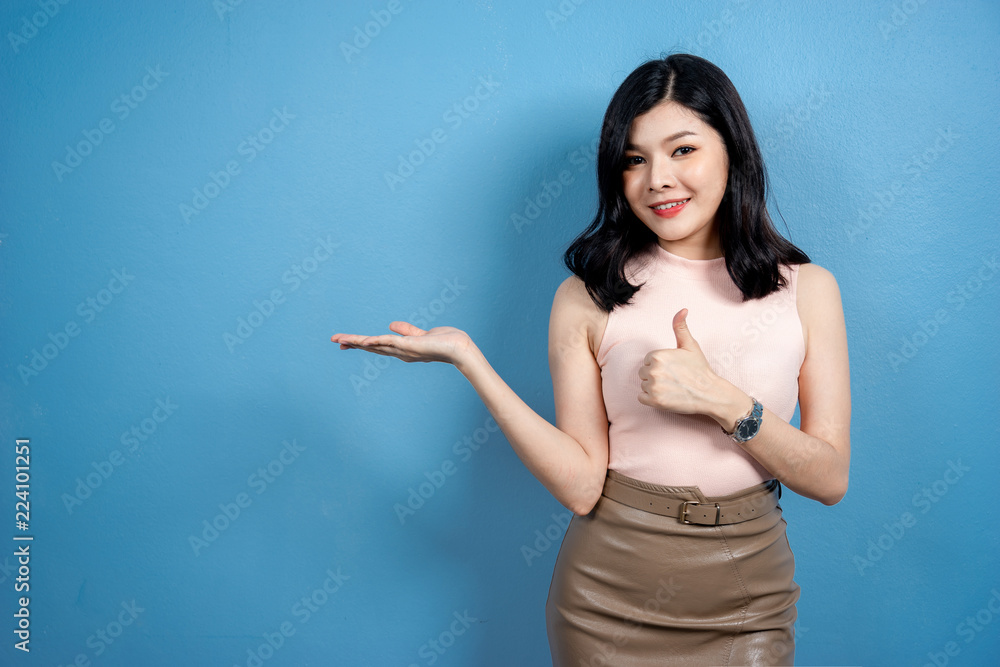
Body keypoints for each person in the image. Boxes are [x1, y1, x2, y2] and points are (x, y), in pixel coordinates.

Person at [331, 53, 850, 666]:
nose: (657, 178)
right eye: (635, 159)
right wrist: (468, 360)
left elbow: (829, 479)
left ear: (731, 150)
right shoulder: (587, 296)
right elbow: (581, 487)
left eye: (683, 150)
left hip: (748, 596)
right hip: (609, 598)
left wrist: (721, 400)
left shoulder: (808, 289)